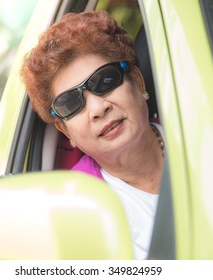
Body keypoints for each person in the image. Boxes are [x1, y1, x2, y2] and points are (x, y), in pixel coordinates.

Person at [21, 11, 165, 260]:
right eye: (71, 103)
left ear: (138, 83)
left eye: (105, 81)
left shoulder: (203, 133)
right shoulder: (75, 210)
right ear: (66, 131)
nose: (98, 109)